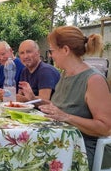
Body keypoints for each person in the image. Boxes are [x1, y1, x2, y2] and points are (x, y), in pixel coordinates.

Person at [38, 26, 111, 170]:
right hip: (59, 144)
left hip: (82, 151)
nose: (50, 55)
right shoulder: (65, 75)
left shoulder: (93, 79)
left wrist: (66, 117)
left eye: (52, 50)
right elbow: (61, 108)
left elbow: (105, 127)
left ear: (65, 50)